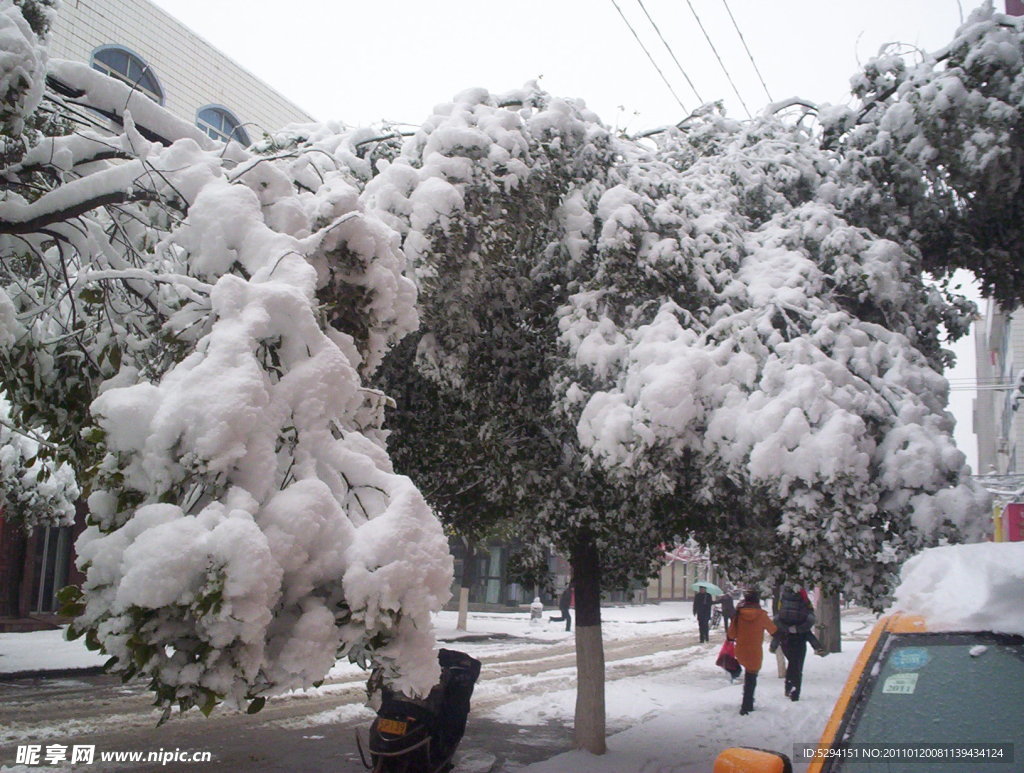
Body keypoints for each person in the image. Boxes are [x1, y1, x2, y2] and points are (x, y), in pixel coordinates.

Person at [726, 589, 778, 715]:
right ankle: (747, 704)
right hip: (755, 650)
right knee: (751, 677)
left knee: (746, 670)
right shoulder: (761, 615)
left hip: (741, 650)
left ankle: (746, 701)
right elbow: (774, 631)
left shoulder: (738, 614)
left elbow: (731, 635)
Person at [769, 585, 825, 702]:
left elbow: (777, 620)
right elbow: (810, 618)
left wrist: (775, 644)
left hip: (785, 637)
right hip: (800, 636)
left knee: (792, 663)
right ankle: (794, 692)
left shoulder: (783, 599)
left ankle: (788, 687)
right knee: (797, 666)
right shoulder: (804, 599)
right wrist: (798, 628)